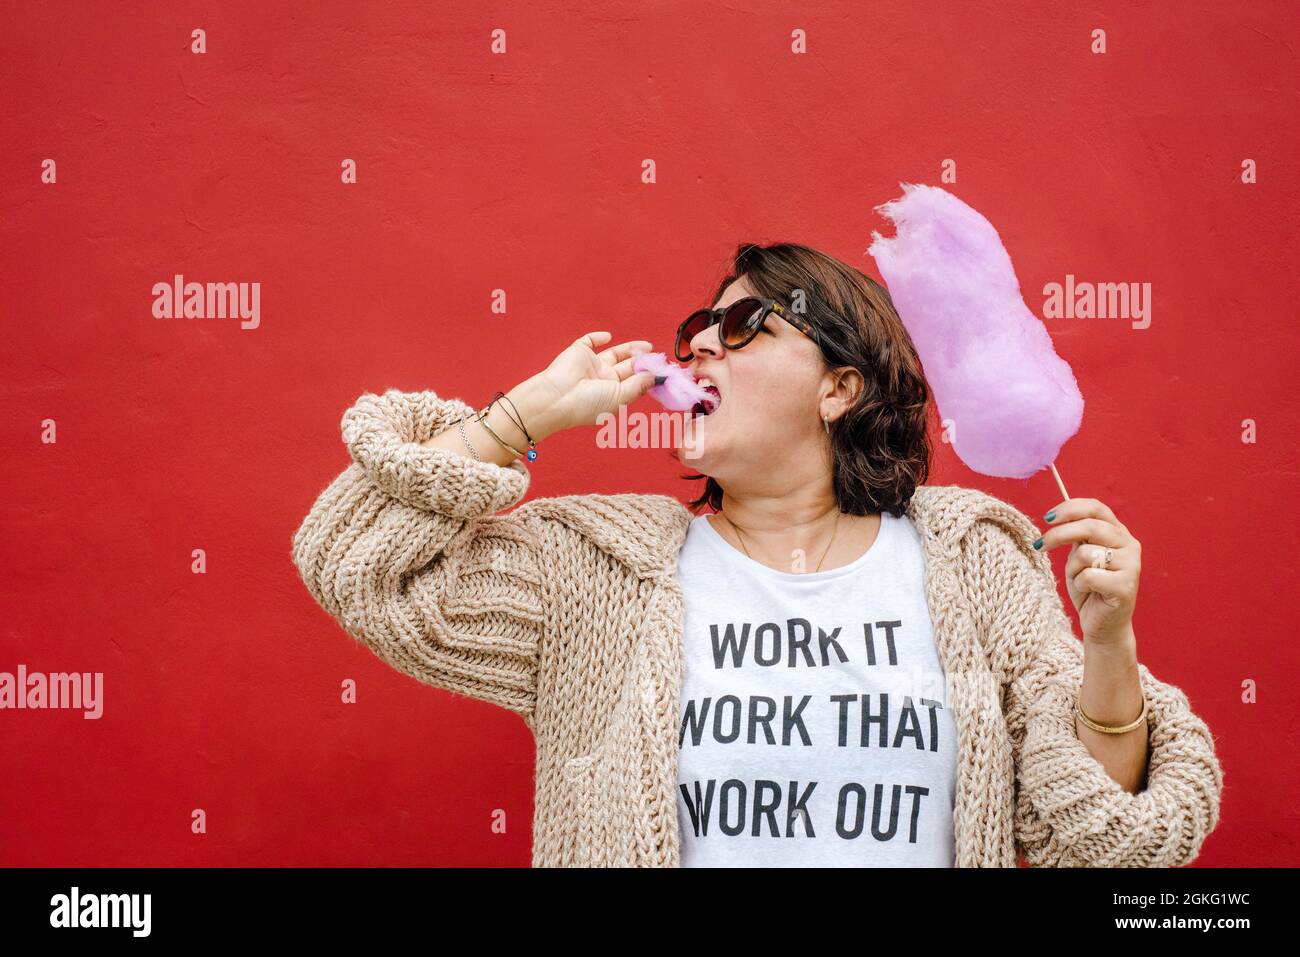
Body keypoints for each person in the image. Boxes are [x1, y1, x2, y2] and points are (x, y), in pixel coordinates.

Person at [291, 241, 1223, 867]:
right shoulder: (599, 573)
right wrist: (521, 417)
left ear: (838, 389)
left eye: (742, 327)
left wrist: (1110, 647)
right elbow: (353, 561)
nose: (698, 345)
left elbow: (1113, 842)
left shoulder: (974, 562)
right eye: (695, 327)